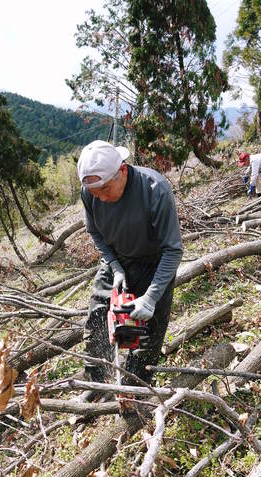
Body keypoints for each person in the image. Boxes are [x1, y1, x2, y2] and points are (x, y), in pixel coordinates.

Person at [78, 140, 183, 388]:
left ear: (122, 171)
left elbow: (173, 250)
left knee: (147, 335)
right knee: (97, 320)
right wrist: (114, 265)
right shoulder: (89, 193)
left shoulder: (154, 189)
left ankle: (135, 388)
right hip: (118, 261)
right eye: (95, 194)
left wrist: (151, 297)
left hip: (154, 263)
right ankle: (96, 383)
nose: (101, 199)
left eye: (105, 190)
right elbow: (95, 233)